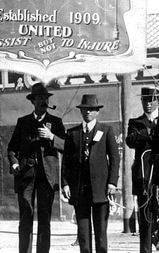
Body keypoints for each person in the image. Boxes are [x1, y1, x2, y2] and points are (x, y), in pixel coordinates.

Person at [7, 82, 66, 253]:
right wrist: (15, 163)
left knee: (45, 218)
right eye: (39, 98)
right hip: (26, 175)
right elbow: (12, 148)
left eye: (45, 99)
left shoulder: (55, 122)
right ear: (33, 101)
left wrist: (52, 137)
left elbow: (66, 147)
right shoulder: (23, 122)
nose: (43, 102)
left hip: (47, 177)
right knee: (26, 217)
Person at [62, 94, 120, 253]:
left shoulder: (106, 130)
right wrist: (65, 183)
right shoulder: (72, 133)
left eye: (92, 109)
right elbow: (66, 161)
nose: (88, 112)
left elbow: (115, 158)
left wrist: (112, 182)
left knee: (101, 232)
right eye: (85, 109)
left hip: (101, 190)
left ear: (97, 112)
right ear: (81, 111)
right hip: (80, 191)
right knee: (83, 233)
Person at [126, 87, 159, 253]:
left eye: (152, 100)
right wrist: (149, 131)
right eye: (145, 100)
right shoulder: (135, 122)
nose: (148, 104)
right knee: (145, 218)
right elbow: (130, 140)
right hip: (144, 177)